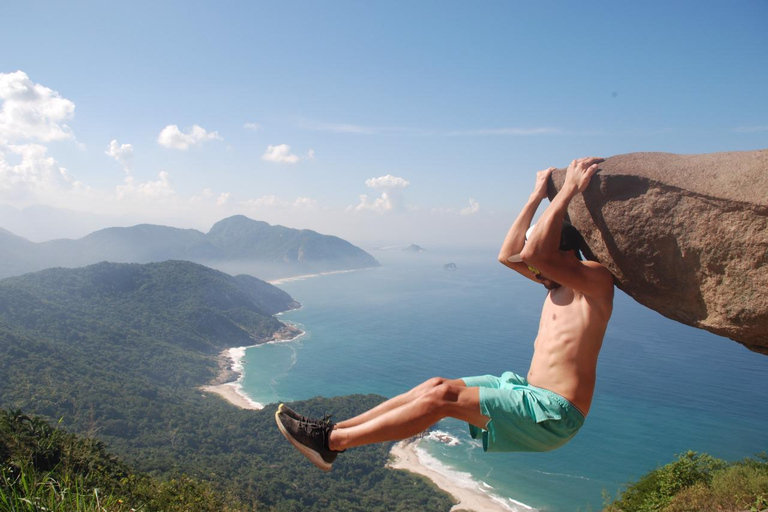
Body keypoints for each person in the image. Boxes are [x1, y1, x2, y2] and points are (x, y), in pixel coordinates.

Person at [275, 156, 615, 471]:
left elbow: (535, 254)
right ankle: (329, 435)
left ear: (567, 255)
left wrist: (568, 188)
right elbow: (508, 254)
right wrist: (536, 195)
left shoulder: (594, 285)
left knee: (443, 398)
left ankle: (334, 442)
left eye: (540, 264)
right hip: (525, 391)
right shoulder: (555, 284)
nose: (532, 269)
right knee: (435, 385)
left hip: (553, 413)